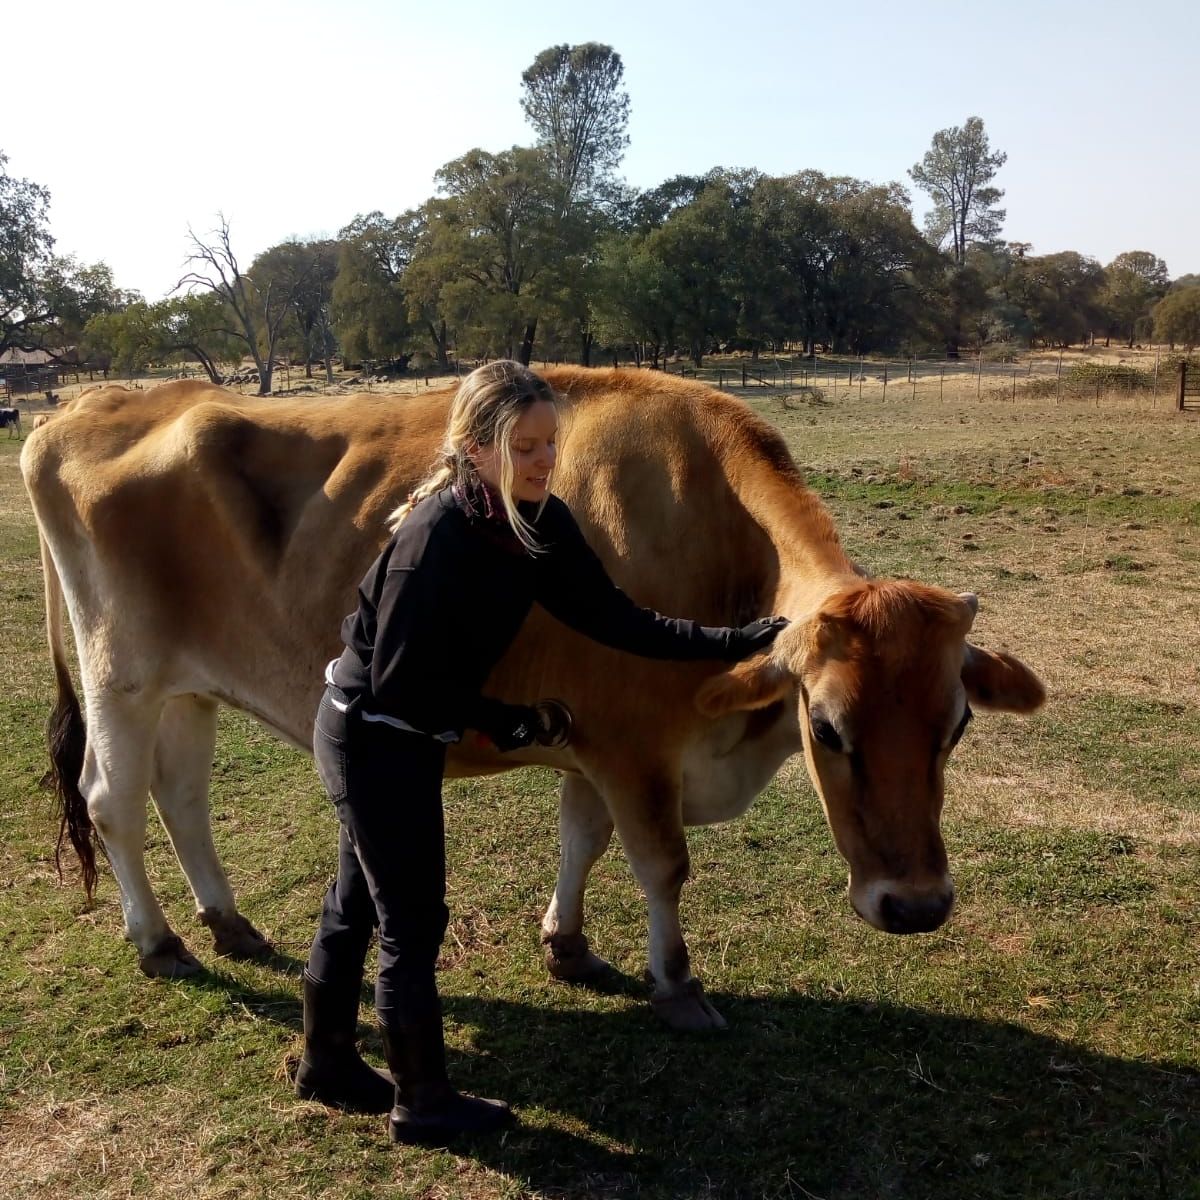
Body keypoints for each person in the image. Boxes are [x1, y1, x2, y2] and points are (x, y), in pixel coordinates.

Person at [296, 360, 788, 1144]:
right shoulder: (437, 540)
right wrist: (511, 723)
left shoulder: (537, 523)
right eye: (523, 445)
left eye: (549, 443)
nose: (542, 460)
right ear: (476, 446)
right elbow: (401, 687)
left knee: (361, 898)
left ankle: (325, 1062)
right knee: (411, 919)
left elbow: (618, 620)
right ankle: (421, 1103)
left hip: (405, 729)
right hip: (372, 734)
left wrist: (738, 641)